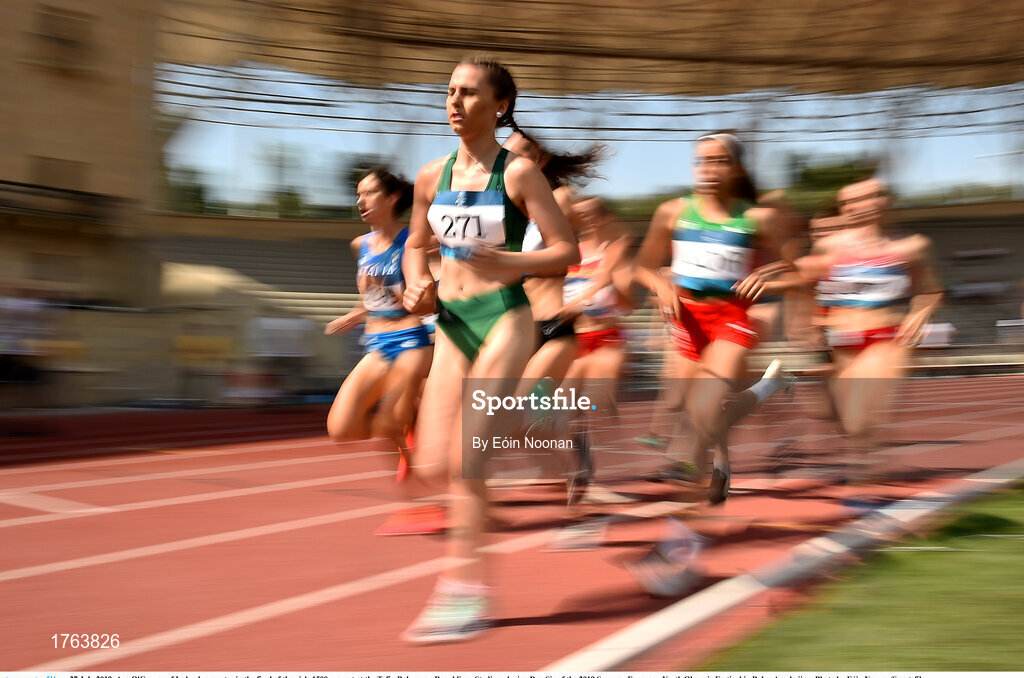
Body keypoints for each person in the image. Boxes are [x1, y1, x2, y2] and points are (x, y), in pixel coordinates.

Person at [401, 55, 579, 643]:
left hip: (504, 318)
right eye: (449, 91)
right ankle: (545, 430)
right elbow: (417, 247)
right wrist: (416, 284)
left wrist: (511, 262)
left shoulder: (520, 174)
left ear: (499, 106)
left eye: (469, 93)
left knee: (467, 459)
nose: (454, 101)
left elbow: (565, 251)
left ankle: (464, 594)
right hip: (451, 323)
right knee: (432, 462)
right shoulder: (432, 175)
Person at [627, 132, 795, 596]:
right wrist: (660, 287)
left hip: (730, 321)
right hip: (688, 321)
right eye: (702, 161)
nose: (709, 168)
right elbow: (640, 266)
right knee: (698, 420)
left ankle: (680, 546)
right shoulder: (674, 211)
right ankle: (763, 393)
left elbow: (798, 268)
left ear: (736, 169)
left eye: (720, 161)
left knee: (695, 431)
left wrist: (771, 271)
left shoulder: (757, 217)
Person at [798, 177, 943, 481]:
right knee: (852, 424)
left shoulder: (910, 247)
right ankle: (869, 471)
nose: (854, 207)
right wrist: (813, 320)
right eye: (847, 203)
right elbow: (814, 287)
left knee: (864, 416)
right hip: (841, 342)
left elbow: (932, 290)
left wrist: (920, 312)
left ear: (882, 201)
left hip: (884, 340)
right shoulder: (829, 245)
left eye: (863, 199)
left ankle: (862, 488)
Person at [324, 166, 442, 535]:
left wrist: (416, 293)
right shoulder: (359, 245)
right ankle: (416, 428)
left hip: (411, 340)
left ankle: (416, 455)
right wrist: (357, 312)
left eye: (369, 193)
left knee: (390, 418)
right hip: (376, 344)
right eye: (358, 195)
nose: (360, 201)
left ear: (391, 198)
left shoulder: (415, 242)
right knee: (340, 429)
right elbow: (373, 296)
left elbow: (428, 299)